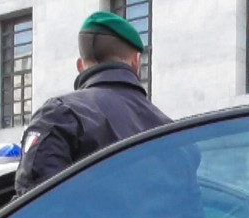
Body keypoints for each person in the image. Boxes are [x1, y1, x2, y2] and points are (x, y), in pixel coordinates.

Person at [14, 11, 170, 196]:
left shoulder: (60, 116)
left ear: (80, 67)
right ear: (136, 62)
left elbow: (36, 209)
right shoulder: (176, 134)